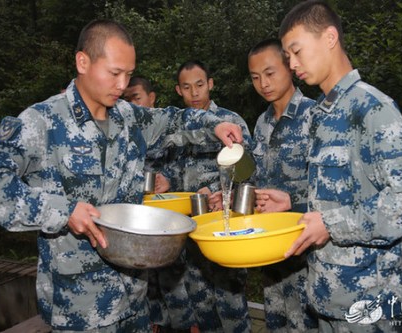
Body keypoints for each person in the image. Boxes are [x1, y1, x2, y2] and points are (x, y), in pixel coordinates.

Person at [0, 19, 243, 333]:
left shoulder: (128, 118)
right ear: (83, 62)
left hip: (135, 299)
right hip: (81, 310)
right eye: (114, 73)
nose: (122, 85)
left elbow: (173, 121)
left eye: (128, 74)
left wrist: (213, 125)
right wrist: (62, 211)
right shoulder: (43, 122)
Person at [279, 1, 402, 332]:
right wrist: (292, 206)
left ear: (330, 38)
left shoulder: (371, 108)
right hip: (331, 297)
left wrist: (332, 225)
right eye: (288, 57)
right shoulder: (323, 115)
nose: (292, 64)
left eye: (296, 52)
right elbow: (342, 199)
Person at [172, 60, 253, 333]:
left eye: (199, 85)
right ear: (178, 90)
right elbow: (174, 177)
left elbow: (249, 174)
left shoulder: (231, 123)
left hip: (227, 235)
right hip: (192, 238)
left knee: (233, 312)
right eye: (187, 87)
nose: (194, 93)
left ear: (210, 84)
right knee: (203, 312)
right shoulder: (179, 131)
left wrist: (221, 193)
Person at [247, 38, 318, 332]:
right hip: (272, 255)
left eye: (270, 73)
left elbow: (333, 191)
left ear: (289, 67)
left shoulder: (315, 117)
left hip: (308, 254)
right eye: (254, 77)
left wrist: (292, 201)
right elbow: (256, 179)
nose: (263, 83)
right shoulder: (261, 124)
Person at [125, 75, 196, 333]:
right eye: (126, 100)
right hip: (137, 228)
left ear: (151, 98)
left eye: (136, 99)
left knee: (175, 290)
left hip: (167, 227)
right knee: (150, 294)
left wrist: (170, 179)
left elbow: (189, 169)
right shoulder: (124, 132)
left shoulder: (167, 131)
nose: (131, 106)